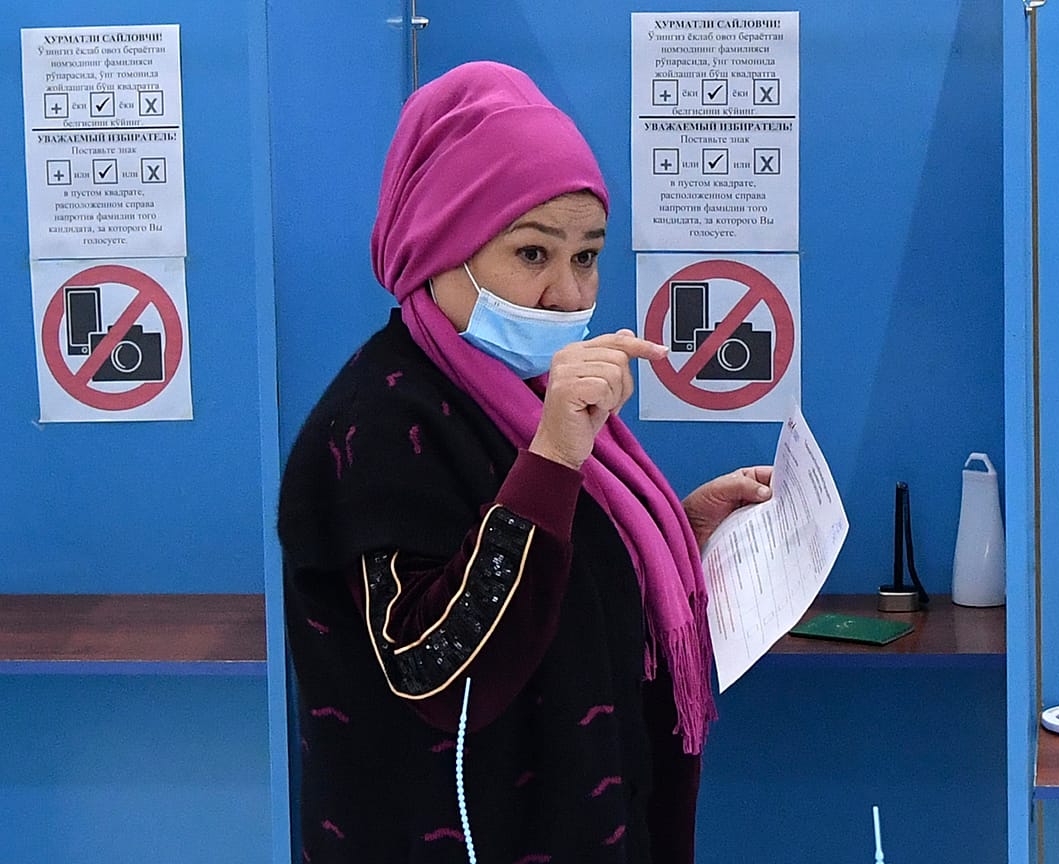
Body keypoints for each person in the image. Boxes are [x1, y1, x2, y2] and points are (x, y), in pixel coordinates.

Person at [277, 61, 770, 864]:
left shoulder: (516, 393)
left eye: (586, 257)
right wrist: (554, 453)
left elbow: (550, 581)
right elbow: (433, 668)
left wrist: (674, 527)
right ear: (439, 244)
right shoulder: (375, 423)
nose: (570, 297)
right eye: (533, 253)